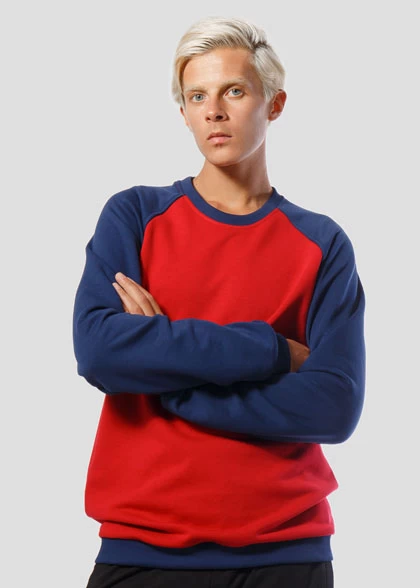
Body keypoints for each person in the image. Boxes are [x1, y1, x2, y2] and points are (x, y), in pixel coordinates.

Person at [73, 14, 366, 588]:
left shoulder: (322, 242)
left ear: (274, 104)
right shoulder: (135, 215)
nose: (213, 110)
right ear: (183, 112)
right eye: (196, 96)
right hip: (143, 548)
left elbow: (334, 406)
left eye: (234, 91)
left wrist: (167, 379)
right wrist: (271, 350)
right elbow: (100, 352)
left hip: (286, 552)